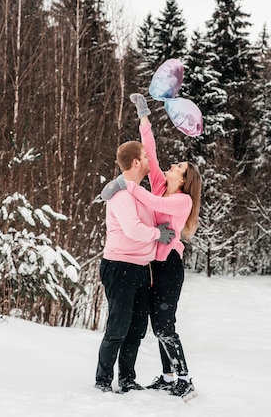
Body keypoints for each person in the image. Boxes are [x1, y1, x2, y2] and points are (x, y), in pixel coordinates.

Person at [101, 93, 202, 401]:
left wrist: (125, 184)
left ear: (184, 180)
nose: (171, 166)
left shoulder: (181, 200)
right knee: (156, 323)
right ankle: (168, 375)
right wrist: (144, 116)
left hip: (169, 266)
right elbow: (152, 156)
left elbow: (154, 202)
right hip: (150, 265)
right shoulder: (159, 184)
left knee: (164, 325)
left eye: (179, 167)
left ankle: (184, 378)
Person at [95, 139, 176, 394]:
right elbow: (133, 230)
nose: (150, 162)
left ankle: (127, 379)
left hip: (141, 269)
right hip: (120, 267)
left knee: (137, 328)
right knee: (118, 326)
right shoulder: (120, 195)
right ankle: (103, 380)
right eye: (146, 157)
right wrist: (156, 234)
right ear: (135, 162)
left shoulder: (140, 194)